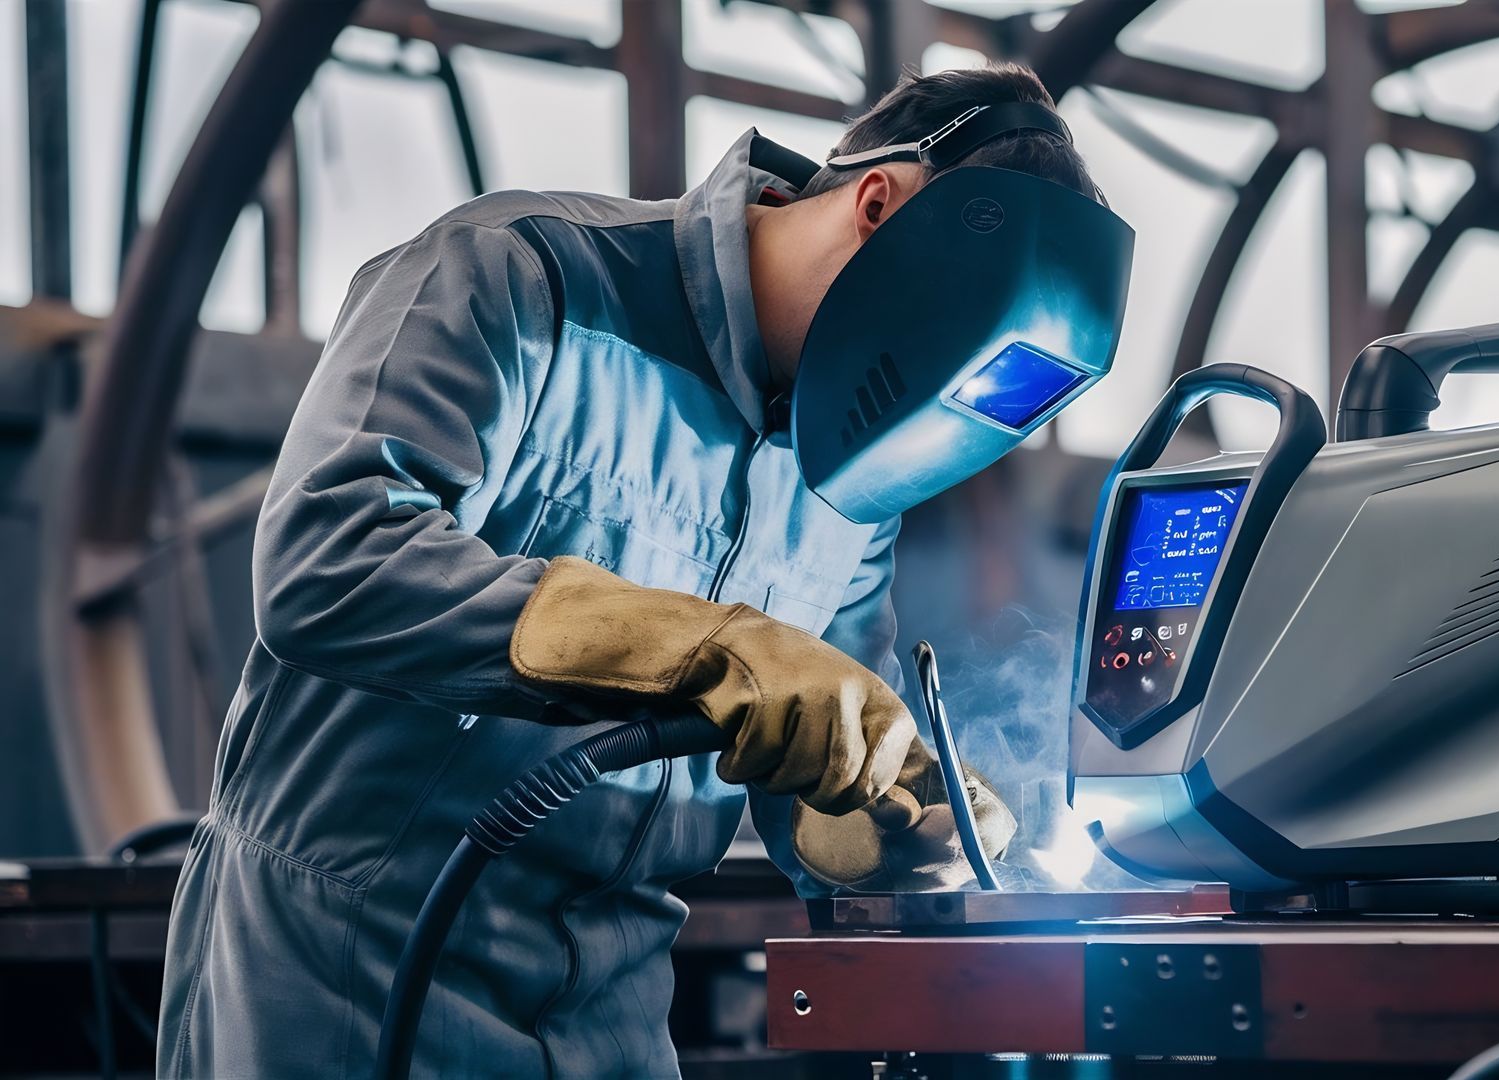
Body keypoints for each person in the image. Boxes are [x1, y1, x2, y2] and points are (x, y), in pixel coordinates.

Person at [156, 62, 1131, 1079]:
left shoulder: (851, 482)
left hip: (610, 1018)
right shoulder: (520, 276)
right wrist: (697, 648)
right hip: (348, 984)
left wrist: (889, 817)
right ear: (877, 207)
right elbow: (329, 558)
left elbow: (799, 756)